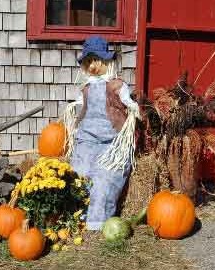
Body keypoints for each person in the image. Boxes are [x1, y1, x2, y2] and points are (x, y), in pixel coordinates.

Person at [63, 36, 141, 230]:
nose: (92, 66)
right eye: (87, 62)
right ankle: (77, 217)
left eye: (95, 61)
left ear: (106, 61)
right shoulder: (86, 89)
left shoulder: (117, 86)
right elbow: (81, 108)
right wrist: (74, 109)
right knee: (79, 174)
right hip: (87, 141)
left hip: (111, 143)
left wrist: (133, 108)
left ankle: (97, 222)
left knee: (105, 178)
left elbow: (128, 102)